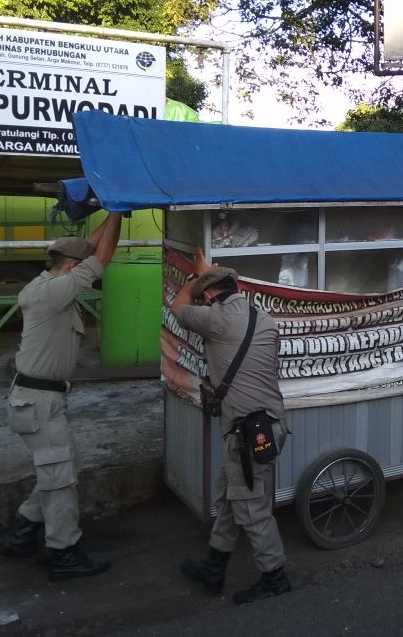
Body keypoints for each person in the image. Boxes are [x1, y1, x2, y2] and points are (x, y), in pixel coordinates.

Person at [0, 212, 123, 580]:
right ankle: (63, 552)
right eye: (78, 262)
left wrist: (111, 214)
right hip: (39, 403)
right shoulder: (57, 291)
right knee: (60, 480)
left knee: (59, 471)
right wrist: (117, 208)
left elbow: (89, 248)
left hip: (34, 400)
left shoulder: (44, 282)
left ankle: (22, 534)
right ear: (71, 266)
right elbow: (102, 257)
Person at [173, 254, 290, 605]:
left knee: (251, 507)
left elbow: (178, 305)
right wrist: (211, 275)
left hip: (247, 432)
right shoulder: (263, 318)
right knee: (230, 495)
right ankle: (214, 565)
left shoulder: (217, 319)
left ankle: (275, 577)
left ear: (209, 296)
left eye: (203, 293)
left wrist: (197, 276)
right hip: (268, 423)